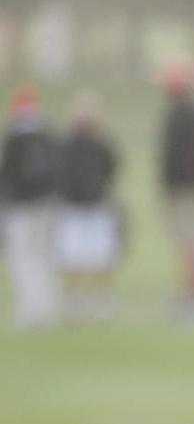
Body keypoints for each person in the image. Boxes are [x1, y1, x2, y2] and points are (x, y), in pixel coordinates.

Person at [52, 93, 124, 321]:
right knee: (71, 257)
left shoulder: (100, 143)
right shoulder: (67, 144)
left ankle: (103, 301)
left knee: (101, 256)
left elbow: (113, 167)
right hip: (73, 207)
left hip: (97, 205)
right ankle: (73, 302)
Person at [156, 62, 194, 317]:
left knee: (188, 242)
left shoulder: (178, 116)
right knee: (191, 241)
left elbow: (173, 157)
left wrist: (169, 186)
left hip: (183, 190)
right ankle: (193, 292)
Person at [1, 87, 61, 330]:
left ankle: (30, 308)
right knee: (43, 255)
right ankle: (46, 306)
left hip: (20, 207)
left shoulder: (13, 138)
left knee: (21, 257)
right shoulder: (46, 134)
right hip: (47, 205)